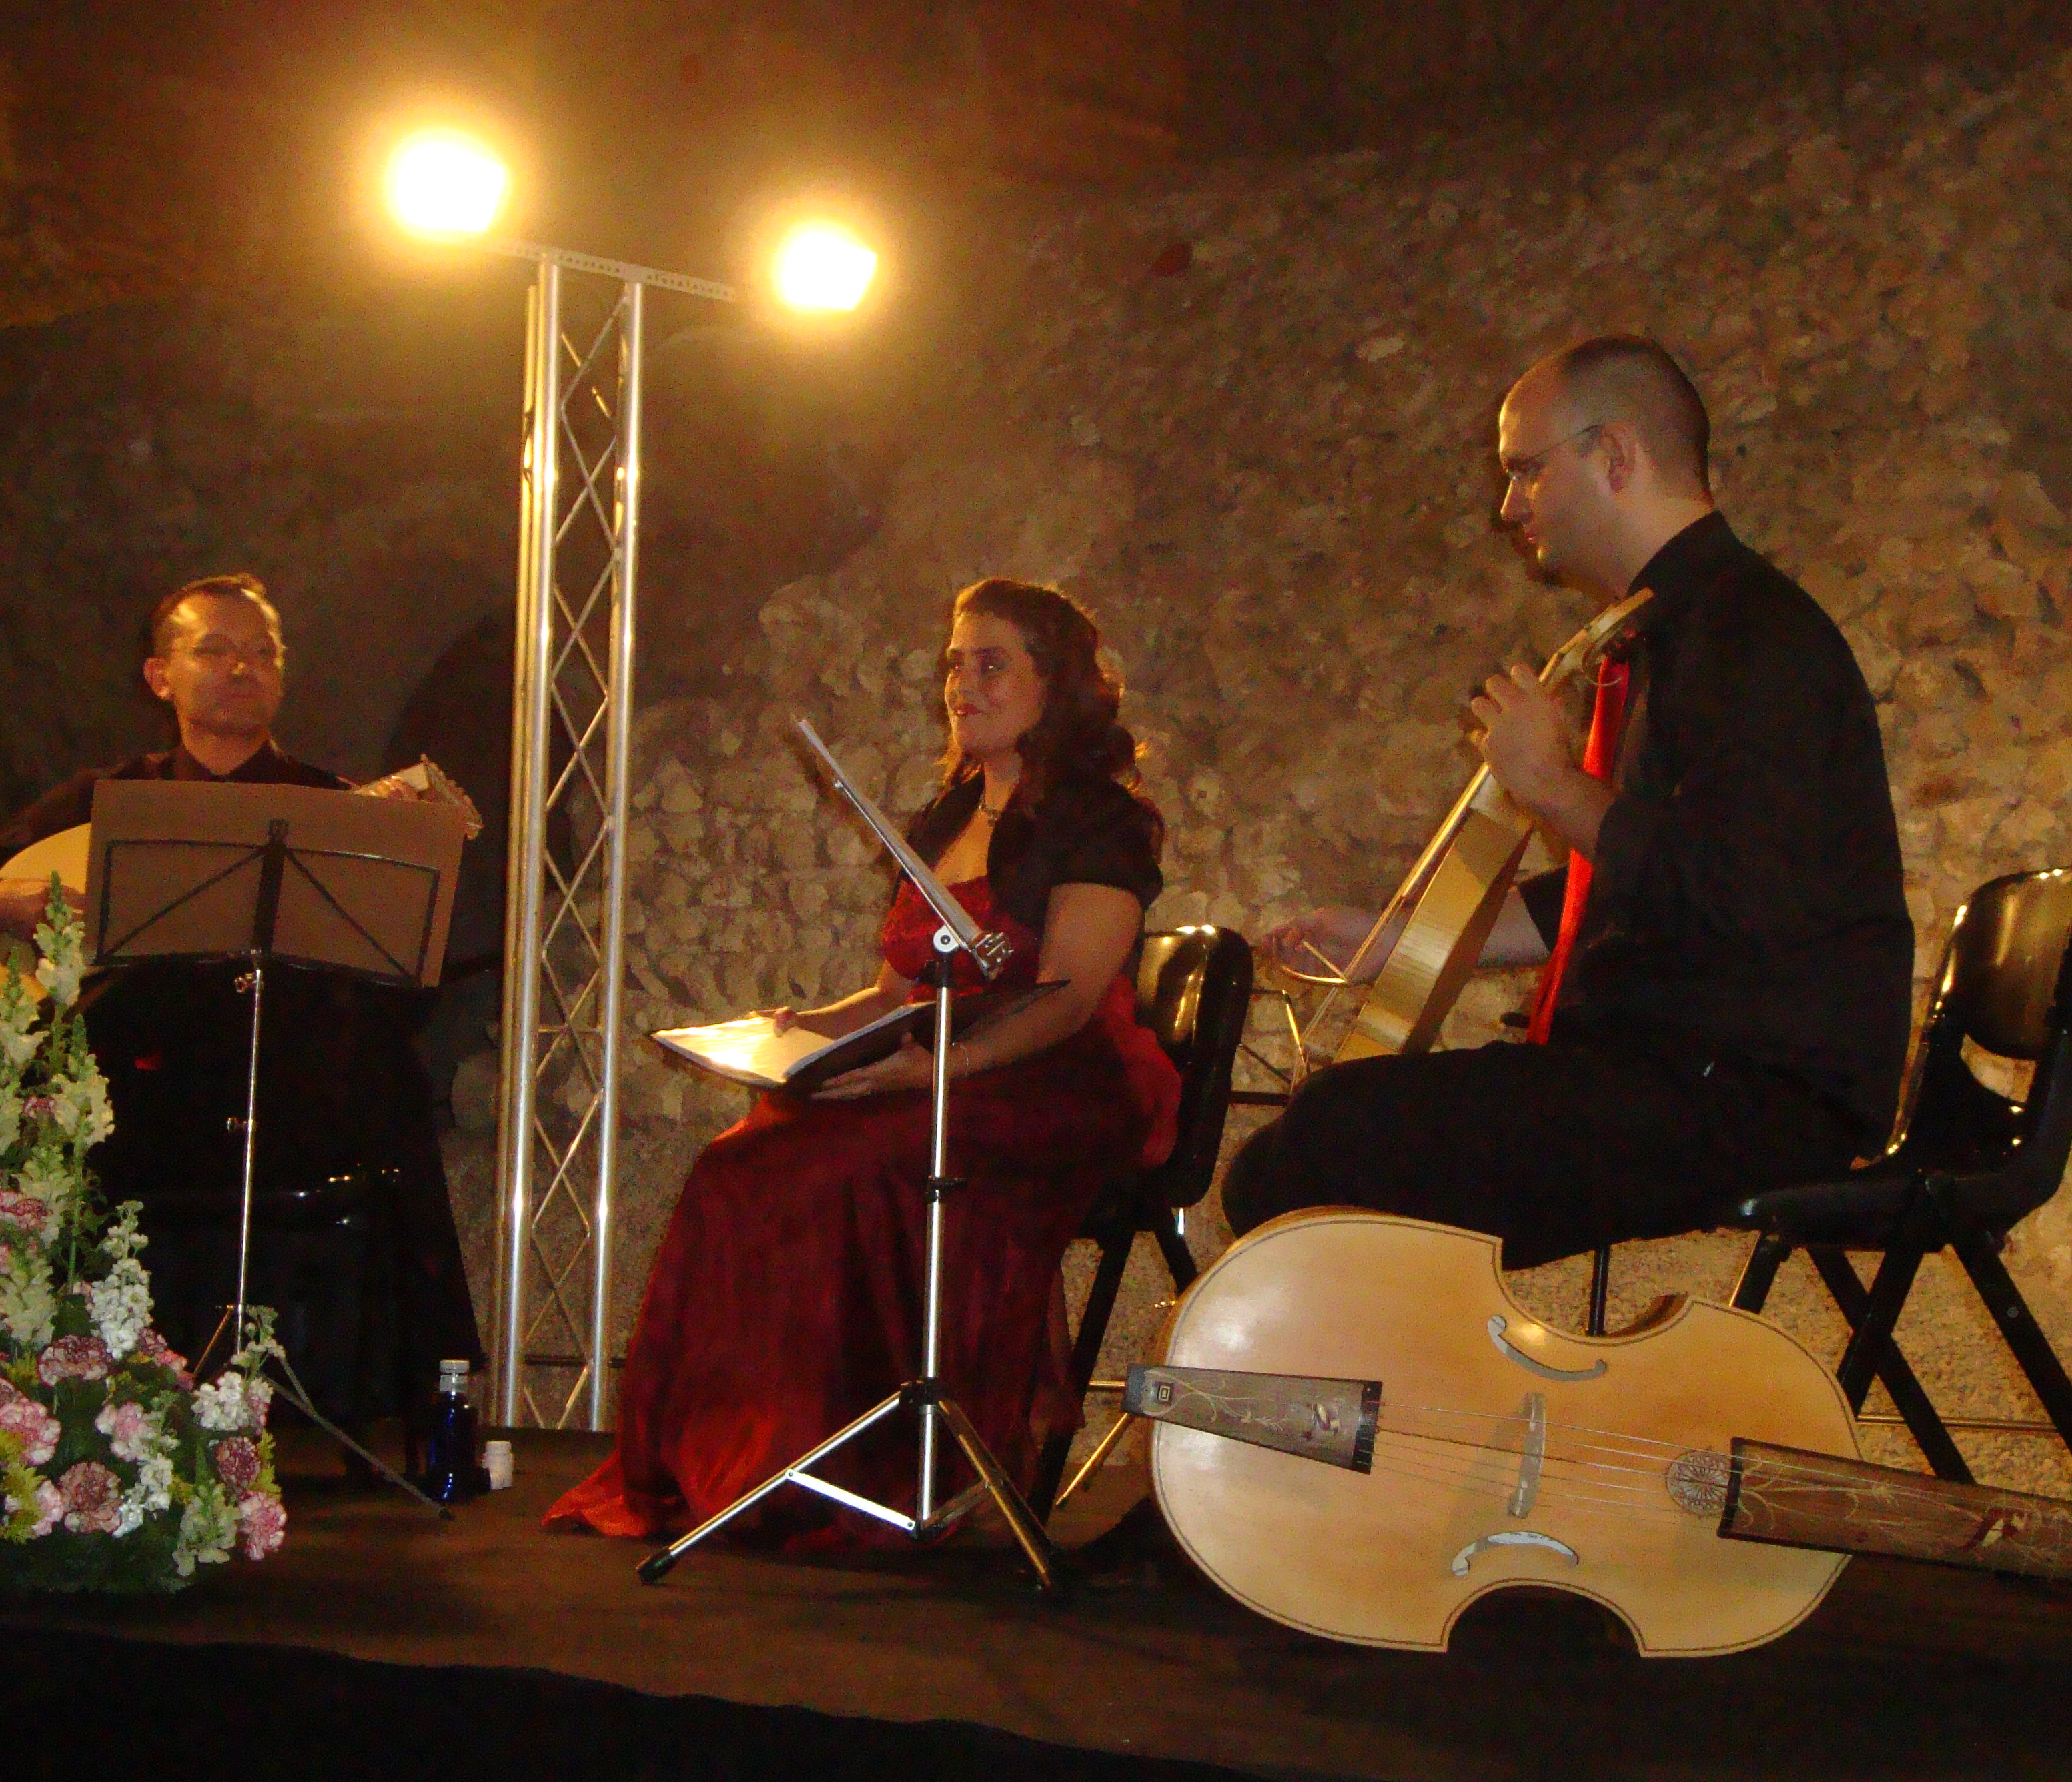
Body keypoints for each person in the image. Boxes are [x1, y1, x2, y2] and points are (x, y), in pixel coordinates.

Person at [1225, 336, 1915, 1267]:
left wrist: (1553, 783)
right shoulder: (1678, 628)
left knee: (1326, 1148)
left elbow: (1743, 899)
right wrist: (1400, 942)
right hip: (1685, 1075)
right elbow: (1622, 884)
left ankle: (1395, 1405)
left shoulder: (1755, 637)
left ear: (1617, 454)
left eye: (1526, 471)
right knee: (1304, 1151)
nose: (1507, 507)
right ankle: (1409, 1398)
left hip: (1753, 1093)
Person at [547, 578, 1181, 1548]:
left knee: (844, 1164)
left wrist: (936, 1072)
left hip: (1053, 1079)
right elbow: (893, 997)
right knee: (742, 1162)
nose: (964, 684)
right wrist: (802, 1029)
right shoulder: (946, 815)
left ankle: (869, 1468)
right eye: (956, 664)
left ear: (1058, 685)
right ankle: (749, 1462)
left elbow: (1066, 998)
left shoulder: (1102, 818)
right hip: (941, 1067)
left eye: (993, 663)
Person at [0, 572, 484, 1425]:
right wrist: (0, 902)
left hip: (299, 1098)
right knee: (106, 1022)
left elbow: (405, 984)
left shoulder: (337, 809)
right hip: (149, 1106)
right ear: (160, 676)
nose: (243, 667)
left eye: (263, 652)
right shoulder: (108, 800)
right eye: (215, 649)